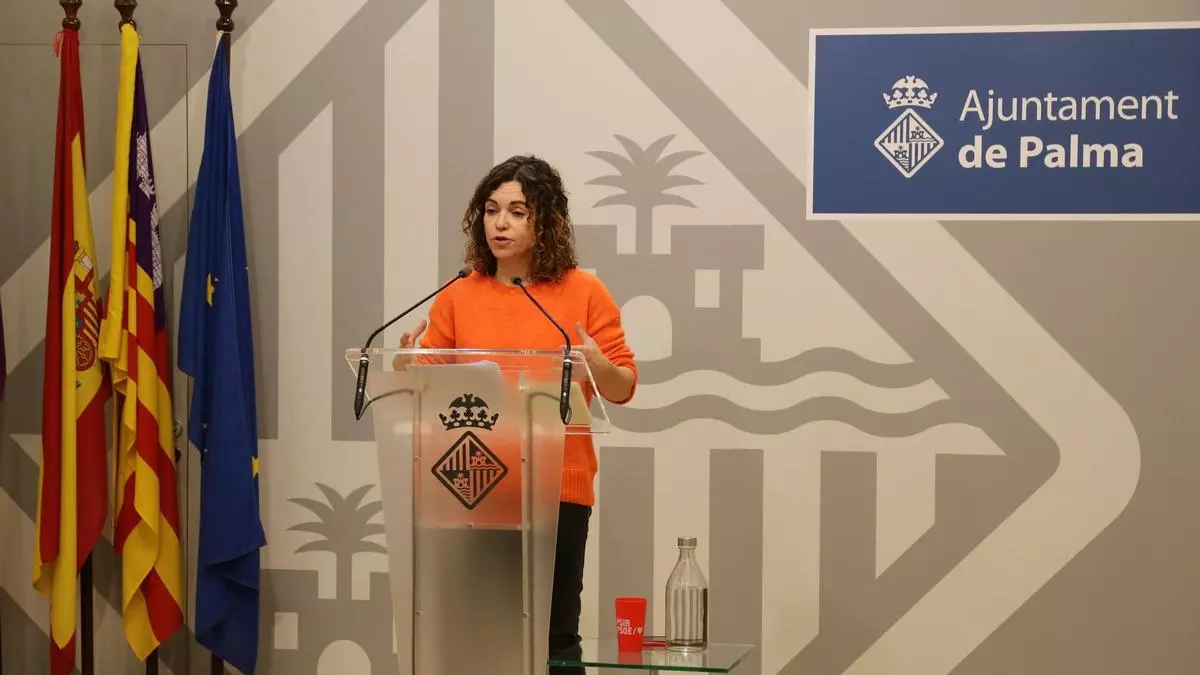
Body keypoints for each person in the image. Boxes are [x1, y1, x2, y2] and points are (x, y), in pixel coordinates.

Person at [397, 155, 638, 667]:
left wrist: (598, 364)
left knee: (554, 638)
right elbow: (425, 382)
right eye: (491, 210)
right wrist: (404, 362)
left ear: (545, 222)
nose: (500, 224)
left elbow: (623, 386)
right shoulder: (458, 295)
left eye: (517, 212)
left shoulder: (583, 292)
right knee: (480, 638)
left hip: (558, 485)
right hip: (473, 484)